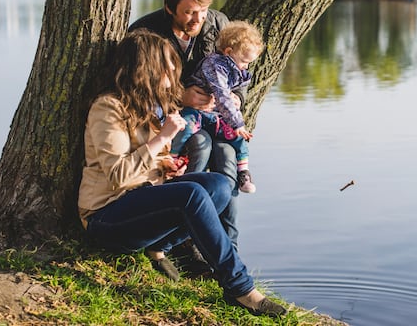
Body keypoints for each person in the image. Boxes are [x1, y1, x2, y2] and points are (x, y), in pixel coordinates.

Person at [77, 29, 286, 317]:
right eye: (167, 70)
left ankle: (159, 247)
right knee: (192, 194)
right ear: (146, 71)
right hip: (106, 216)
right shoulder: (108, 108)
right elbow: (118, 175)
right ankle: (240, 287)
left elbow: (150, 163)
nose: (172, 78)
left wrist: (168, 166)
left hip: (141, 201)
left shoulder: (151, 106)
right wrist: (162, 139)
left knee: (219, 186)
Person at [129, 0, 242, 247]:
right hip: (172, 123)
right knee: (200, 145)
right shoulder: (145, 32)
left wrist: (237, 97)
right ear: (170, 8)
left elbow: (237, 70)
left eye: (203, 10)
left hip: (215, 119)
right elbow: (137, 88)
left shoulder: (219, 23)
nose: (199, 19)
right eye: (190, 12)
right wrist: (180, 97)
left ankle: (228, 245)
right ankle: (183, 240)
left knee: (228, 161)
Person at [170, 20, 264, 194]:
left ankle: (243, 171)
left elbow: (233, 92)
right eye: (244, 61)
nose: (246, 66)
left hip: (214, 114)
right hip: (196, 110)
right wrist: (237, 122)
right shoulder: (215, 65)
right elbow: (221, 94)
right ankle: (173, 159)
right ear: (228, 52)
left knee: (238, 137)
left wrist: (237, 100)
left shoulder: (236, 68)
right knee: (185, 128)